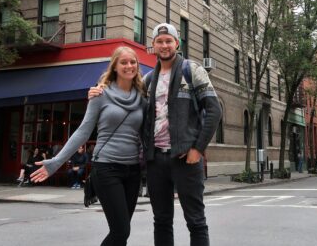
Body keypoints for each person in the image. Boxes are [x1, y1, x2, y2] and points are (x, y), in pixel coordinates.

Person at [90, 23, 222, 246]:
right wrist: (98, 89)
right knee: (161, 221)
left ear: (177, 44)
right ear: (153, 45)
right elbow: (124, 94)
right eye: (159, 41)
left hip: (185, 159)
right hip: (156, 162)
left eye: (168, 40)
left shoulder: (192, 70)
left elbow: (214, 109)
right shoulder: (149, 80)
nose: (164, 45)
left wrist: (197, 149)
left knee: (196, 221)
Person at [31, 46, 146, 246]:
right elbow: (83, 131)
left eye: (133, 62)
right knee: (121, 231)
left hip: (133, 171)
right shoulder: (100, 94)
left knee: (122, 233)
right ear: (115, 67)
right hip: (107, 168)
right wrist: (57, 162)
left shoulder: (142, 97)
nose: (129, 66)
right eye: (124, 62)